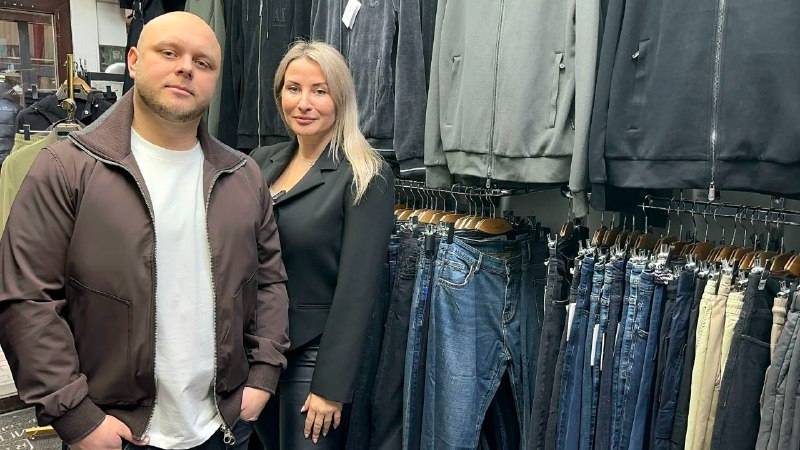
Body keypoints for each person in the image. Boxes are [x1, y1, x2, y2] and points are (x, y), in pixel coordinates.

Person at [0, 11, 289, 450]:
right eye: (169, 53)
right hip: (116, 431)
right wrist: (76, 417)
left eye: (203, 62)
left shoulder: (242, 175)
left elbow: (269, 281)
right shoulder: (67, 168)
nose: (186, 68)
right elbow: (27, 298)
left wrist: (263, 374)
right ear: (133, 61)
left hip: (223, 425)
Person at [250, 41, 394, 449]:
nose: (304, 103)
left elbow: (358, 289)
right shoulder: (259, 161)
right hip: (256, 352)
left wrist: (330, 386)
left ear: (340, 99)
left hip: (312, 355)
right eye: (293, 88)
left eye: (319, 91)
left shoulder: (365, 174)